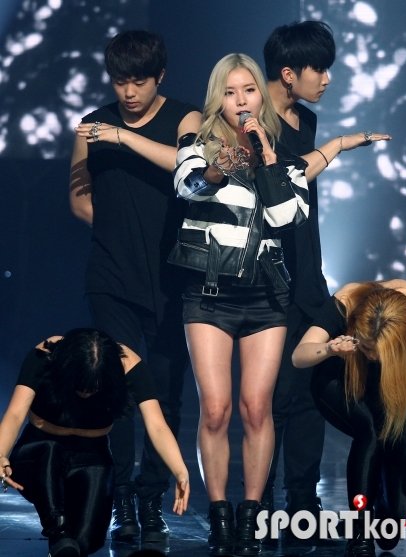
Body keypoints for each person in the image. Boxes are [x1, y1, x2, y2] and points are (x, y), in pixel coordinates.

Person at [168, 53, 310, 556]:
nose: (240, 101)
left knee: (255, 408)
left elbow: (288, 217)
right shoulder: (197, 146)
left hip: (266, 296)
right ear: (217, 99)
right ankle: (220, 515)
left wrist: (267, 156)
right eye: (229, 93)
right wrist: (214, 171)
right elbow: (186, 188)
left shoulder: (284, 157)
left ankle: (251, 515)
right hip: (209, 295)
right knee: (215, 409)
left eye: (248, 90)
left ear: (261, 96)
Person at [69, 30, 201, 545]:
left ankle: (152, 496)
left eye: (139, 81)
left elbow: (189, 168)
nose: (128, 92)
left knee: (166, 392)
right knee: (119, 389)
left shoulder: (186, 119)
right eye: (120, 81)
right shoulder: (92, 125)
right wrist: (116, 235)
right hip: (111, 277)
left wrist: (123, 138)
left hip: (173, 276)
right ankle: (123, 497)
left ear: (159, 77)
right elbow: (79, 198)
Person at [261, 20, 392, 532]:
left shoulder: (306, 120)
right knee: (270, 399)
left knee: (310, 390)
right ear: (288, 72)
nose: (327, 79)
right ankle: (257, 505)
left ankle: (302, 503)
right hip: (263, 276)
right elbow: (286, 177)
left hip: (307, 274)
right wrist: (338, 145)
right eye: (320, 68)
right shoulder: (251, 120)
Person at [291, 279, 406, 556]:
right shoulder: (346, 302)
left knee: (404, 511)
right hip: (338, 381)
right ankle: (360, 533)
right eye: (367, 348)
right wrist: (331, 349)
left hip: (385, 388)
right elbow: (300, 355)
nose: (371, 356)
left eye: (378, 351)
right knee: (369, 431)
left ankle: (377, 510)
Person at [0, 328, 189, 557]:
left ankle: (64, 545)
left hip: (91, 455)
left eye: (94, 386)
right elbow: (15, 414)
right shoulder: (48, 354)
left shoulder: (128, 365)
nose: (87, 392)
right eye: (81, 385)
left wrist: (180, 471)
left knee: (85, 541)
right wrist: (1, 454)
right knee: (61, 526)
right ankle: (58, 532)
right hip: (39, 452)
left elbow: (157, 425)